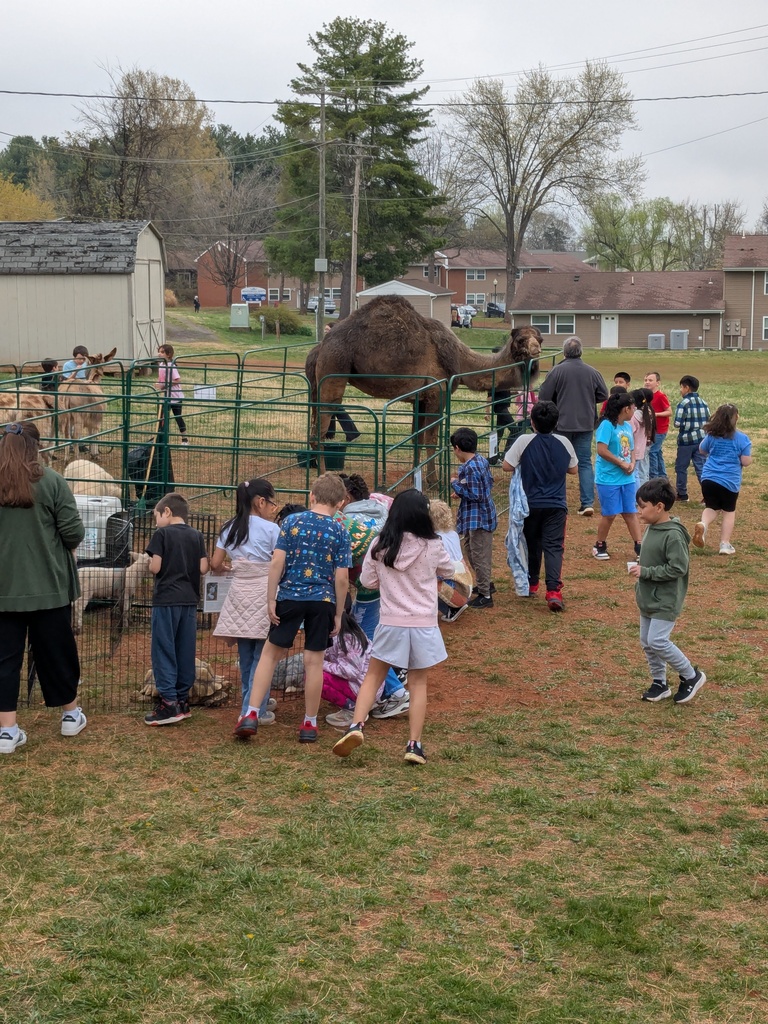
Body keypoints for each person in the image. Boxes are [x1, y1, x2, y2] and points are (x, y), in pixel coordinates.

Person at [332, 488, 454, 765]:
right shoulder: (432, 545)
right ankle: (414, 744)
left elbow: (366, 582)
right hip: (423, 624)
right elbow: (448, 571)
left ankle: (356, 726)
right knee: (418, 682)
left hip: (390, 622)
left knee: (374, 675)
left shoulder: (379, 544)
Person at [233, 473, 352, 744]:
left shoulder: (291, 522)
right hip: (322, 601)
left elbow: (277, 563)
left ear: (311, 495)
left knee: (269, 655)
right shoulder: (340, 531)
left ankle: (251, 713)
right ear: (341, 503)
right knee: (314, 662)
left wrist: (271, 598)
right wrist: (338, 612)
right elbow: (342, 578)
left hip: (290, 597)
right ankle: (309, 723)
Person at [0, 421, 87, 754]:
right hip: (49, 587)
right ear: (36, 447)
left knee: (4, 660)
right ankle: (70, 715)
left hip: (4, 591)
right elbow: (73, 533)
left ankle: (7, 731)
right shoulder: (52, 481)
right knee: (56, 653)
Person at [333, 474, 409, 722]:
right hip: (393, 580)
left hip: (371, 586)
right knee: (375, 634)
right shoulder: (379, 504)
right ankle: (396, 672)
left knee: (362, 641)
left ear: (345, 498)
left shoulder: (342, 521)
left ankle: (395, 692)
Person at [210, 478, 281, 726]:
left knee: (246, 656)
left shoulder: (229, 527)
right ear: (260, 502)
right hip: (264, 593)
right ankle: (254, 709)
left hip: (239, 595)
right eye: (271, 502)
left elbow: (215, 563)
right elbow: (279, 562)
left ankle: (252, 702)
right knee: (264, 657)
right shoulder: (272, 530)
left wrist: (229, 568)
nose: (273, 507)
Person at [630, 478, 706, 704]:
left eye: (642, 506)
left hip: (665, 599)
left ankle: (691, 675)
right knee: (647, 641)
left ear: (659, 507)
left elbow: (678, 567)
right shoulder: (652, 527)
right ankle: (659, 683)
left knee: (658, 641)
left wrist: (647, 572)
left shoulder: (673, 534)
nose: (639, 511)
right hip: (647, 597)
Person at [502, 400, 577, 611]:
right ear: (556, 422)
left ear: (532, 421)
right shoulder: (564, 442)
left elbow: (507, 466)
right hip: (556, 504)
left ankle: (532, 582)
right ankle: (553, 591)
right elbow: (573, 470)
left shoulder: (523, 440)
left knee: (532, 543)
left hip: (529, 504)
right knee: (553, 546)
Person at [145, 492, 209, 725]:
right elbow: (203, 567)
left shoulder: (161, 534)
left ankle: (168, 703)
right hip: (189, 601)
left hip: (166, 600)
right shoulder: (197, 535)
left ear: (167, 512)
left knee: (164, 648)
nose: (156, 522)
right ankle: (182, 700)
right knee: (185, 648)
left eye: (156, 516)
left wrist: (150, 562)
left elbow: (155, 567)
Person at [537, 336, 609, 517]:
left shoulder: (557, 371)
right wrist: (590, 400)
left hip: (561, 424)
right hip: (585, 424)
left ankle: (556, 499)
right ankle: (587, 503)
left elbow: (543, 395)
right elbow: (603, 394)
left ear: (564, 352)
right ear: (581, 352)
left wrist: (556, 400)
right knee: (584, 462)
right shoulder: (593, 372)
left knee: (559, 461)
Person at [692, 403, 752, 556]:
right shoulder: (742, 439)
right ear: (736, 418)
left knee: (711, 507)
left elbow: (702, 449)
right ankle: (725, 544)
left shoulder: (712, 435)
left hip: (708, 478)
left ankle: (703, 524)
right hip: (729, 481)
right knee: (728, 511)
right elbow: (745, 461)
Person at [450, 427, 497, 608]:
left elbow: (475, 494)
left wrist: (456, 486)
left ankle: (485, 595)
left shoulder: (470, 468)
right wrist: (461, 490)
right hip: (478, 516)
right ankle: (485, 584)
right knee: (470, 548)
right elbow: (483, 486)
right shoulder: (480, 461)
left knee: (479, 555)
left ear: (457, 448)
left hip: (479, 518)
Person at [592, 392, 642, 560]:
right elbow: (602, 450)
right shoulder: (606, 425)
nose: (635, 409)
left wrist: (632, 464)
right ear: (625, 409)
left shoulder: (627, 426)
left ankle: (639, 546)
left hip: (627, 478)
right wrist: (621, 463)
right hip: (608, 479)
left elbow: (632, 450)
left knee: (630, 512)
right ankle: (599, 544)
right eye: (633, 407)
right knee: (610, 514)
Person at [322, 598, 386, 726]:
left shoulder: (345, 637)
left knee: (317, 677)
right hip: (370, 687)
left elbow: (351, 672)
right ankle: (358, 703)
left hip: (363, 687)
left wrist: (321, 664)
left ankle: (354, 709)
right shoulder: (351, 629)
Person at [429, 499, 473, 623]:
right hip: (464, 580)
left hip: (453, 583)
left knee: (424, 580)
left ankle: (450, 608)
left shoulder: (436, 539)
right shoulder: (453, 534)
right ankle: (456, 604)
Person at [673, 375, 710, 501]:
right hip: (701, 440)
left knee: (681, 467)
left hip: (686, 441)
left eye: (681, 387)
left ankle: (682, 494)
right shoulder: (704, 402)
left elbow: (677, 423)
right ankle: (707, 495)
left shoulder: (683, 403)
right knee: (701, 467)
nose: (680, 390)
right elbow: (708, 420)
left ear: (687, 388)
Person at [157, 344, 189, 445]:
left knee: (178, 417)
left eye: (162, 352)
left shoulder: (171, 366)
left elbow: (177, 380)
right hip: (166, 397)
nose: (159, 354)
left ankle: (185, 439)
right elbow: (162, 379)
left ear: (169, 354)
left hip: (175, 397)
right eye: (159, 351)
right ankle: (161, 439)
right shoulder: (161, 365)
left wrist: (163, 386)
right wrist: (159, 384)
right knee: (162, 417)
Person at [644, 371, 672, 478]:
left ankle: (654, 477)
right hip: (651, 430)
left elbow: (669, 412)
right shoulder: (646, 396)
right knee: (658, 452)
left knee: (652, 452)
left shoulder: (660, 396)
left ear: (658, 383)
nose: (647, 382)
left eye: (650, 380)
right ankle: (662, 476)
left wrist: (656, 414)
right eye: (646, 380)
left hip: (659, 430)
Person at [631, 388, 656, 486]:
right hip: (645, 445)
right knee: (644, 470)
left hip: (636, 447)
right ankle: (644, 491)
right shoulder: (648, 410)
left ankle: (640, 494)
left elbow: (631, 431)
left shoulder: (635, 415)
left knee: (638, 472)